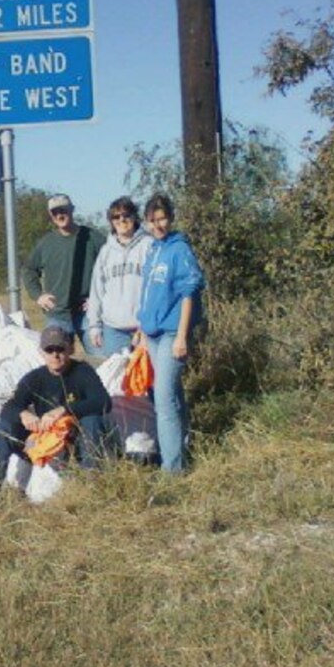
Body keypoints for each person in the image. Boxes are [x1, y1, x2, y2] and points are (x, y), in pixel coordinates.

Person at [0, 325, 113, 482]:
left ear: (70, 349)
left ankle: (92, 480)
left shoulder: (83, 372)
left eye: (60, 349)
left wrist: (64, 410)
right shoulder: (34, 378)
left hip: (75, 439)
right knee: (2, 429)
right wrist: (23, 414)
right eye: (49, 350)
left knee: (92, 421)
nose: (55, 355)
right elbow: (9, 406)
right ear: (41, 353)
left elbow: (103, 401)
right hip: (43, 439)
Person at [135, 193, 205, 473]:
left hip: (172, 333)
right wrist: (141, 329)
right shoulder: (153, 249)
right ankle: (182, 450)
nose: (158, 225)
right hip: (151, 332)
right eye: (152, 220)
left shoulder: (179, 250)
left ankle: (172, 470)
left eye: (162, 218)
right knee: (172, 395)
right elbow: (148, 292)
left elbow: (189, 292)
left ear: (171, 217)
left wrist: (181, 336)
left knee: (163, 401)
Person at [22, 193, 103, 355]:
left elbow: (112, 267)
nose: (60, 215)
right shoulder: (46, 243)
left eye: (64, 210)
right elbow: (29, 269)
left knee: (102, 361)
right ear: (51, 216)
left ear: (72, 210)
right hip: (57, 314)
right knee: (57, 364)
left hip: (89, 313)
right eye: (55, 212)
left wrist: (99, 299)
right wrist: (39, 295)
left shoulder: (93, 237)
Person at [86, 195, 152, 358]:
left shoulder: (149, 245)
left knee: (145, 380)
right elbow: (97, 292)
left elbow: (156, 289)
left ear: (134, 217)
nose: (121, 220)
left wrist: (147, 325)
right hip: (113, 329)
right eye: (116, 216)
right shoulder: (106, 251)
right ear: (111, 221)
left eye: (126, 215)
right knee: (117, 381)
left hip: (144, 328)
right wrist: (94, 326)